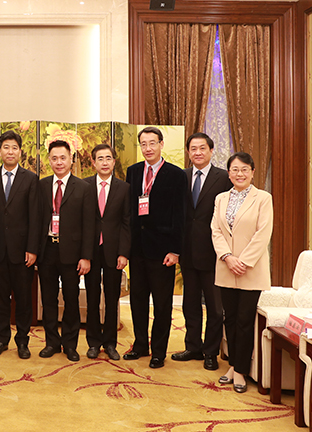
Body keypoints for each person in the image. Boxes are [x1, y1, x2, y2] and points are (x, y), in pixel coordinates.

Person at [124, 126, 186, 369]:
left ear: (161, 144)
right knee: (137, 301)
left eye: (152, 143)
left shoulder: (176, 174)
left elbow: (180, 215)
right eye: (143, 144)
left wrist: (175, 250)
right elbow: (130, 210)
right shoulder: (133, 171)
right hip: (137, 249)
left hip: (163, 251)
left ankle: (158, 351)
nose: (148, 148)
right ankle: (140, 344)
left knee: (162, 304)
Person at [211, 152, 273, 393]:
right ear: (229, 173)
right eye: (235, 170)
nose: (240, 174)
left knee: (245, 321)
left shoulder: (263, 198)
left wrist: (243, 262)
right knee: (230, 318)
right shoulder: (220, 198)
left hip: (251, 270)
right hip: (226, 267)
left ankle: (240, 371)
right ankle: (233, 365)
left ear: (252, 172)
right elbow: (216, 230)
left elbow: (263, 233)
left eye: (244, 169)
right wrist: (227, 257)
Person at [172, 133, 232, 371]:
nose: (197, 152)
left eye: (202, 148)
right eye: (193, 149)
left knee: (215, 308)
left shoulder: (223, 178)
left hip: (214, 253)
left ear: (211, 150)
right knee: (190, 304)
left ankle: (210, 352)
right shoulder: (182, 176)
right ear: (188, 152)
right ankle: (193, 347)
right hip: (187, 251)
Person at [0, 130, 41, 359]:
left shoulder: (30, 179)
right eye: (6, 147)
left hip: (22, 253)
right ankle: (1, 340)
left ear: (20, 152)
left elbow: (35, 217)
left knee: (23, 300)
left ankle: (23, 341)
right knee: (0, 300)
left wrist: (32, 249)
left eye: (14, 148)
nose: (10, 151)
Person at [37, 140, 95, 362]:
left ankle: (70, 344)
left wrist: (86, 256)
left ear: (71, 159)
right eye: (54, 158)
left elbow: (89, 225)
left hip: (72, 253)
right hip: (47, 250)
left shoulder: (84, 188)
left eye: (63, 158)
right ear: (49, 161)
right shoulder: (42, 186)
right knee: (48, 299)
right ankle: (51, 342)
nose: (59, 162)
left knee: (71, 299)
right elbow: (36, 220)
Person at [84, 143, 130, 361]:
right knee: (92, 298)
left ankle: (110, 343)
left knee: (112, 299)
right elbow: (81, 223)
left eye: (108, 158)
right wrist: (83, 254)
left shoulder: (124, 188)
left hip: (114, 252)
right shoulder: (84, 186)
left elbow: (126, 223)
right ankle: (93, 342)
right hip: (91, 251)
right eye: (100, 159)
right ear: (93, 162)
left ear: (114, 161)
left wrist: (124, 253)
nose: (104, 162)